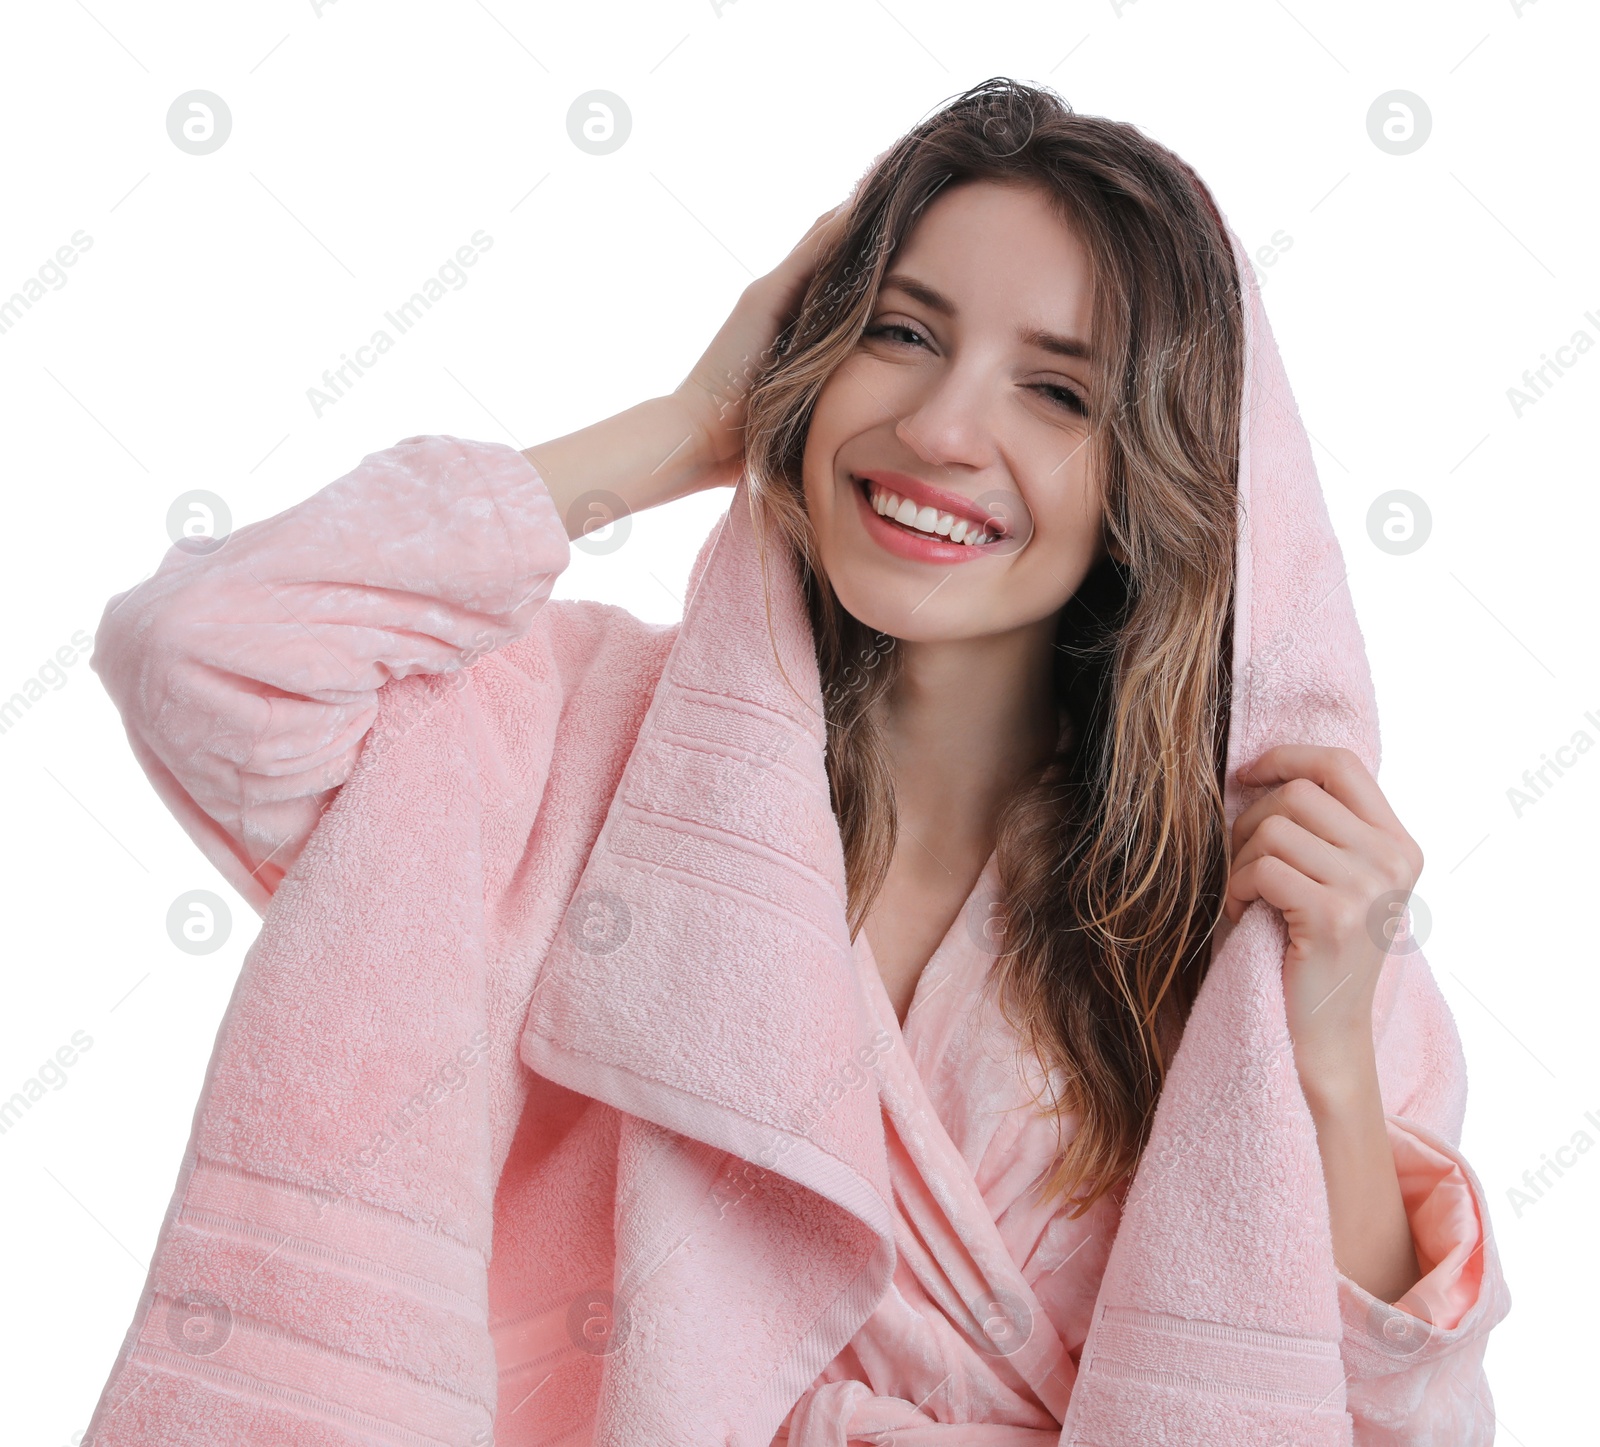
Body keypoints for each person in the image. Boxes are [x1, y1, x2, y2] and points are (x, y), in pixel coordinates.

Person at [86, 78, 1507, 1444]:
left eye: (1059, 395)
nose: (944, 430)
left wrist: (1319, 1042)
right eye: (899, 333)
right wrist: (683, 430)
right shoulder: (566, 740)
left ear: (1162, 473)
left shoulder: (1277, 908)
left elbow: (1406, 1431)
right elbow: (203, 650)